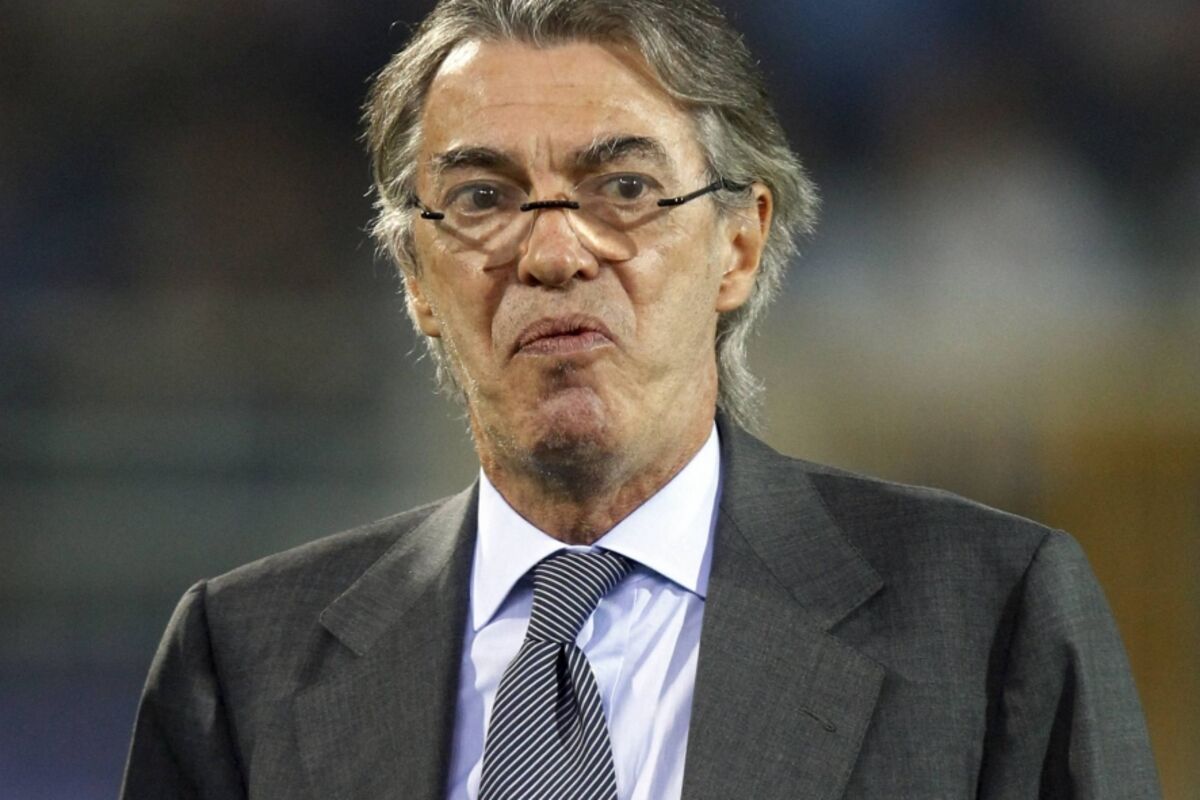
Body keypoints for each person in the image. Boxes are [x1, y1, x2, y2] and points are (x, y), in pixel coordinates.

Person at [121, 1, 1162, 798]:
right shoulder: (239, 662)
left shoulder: (989, 620)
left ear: (739, 245)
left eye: (622, 189)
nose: (553, 251)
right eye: (482, 198)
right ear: (415, 280)